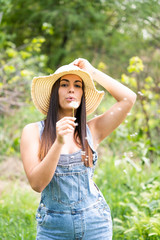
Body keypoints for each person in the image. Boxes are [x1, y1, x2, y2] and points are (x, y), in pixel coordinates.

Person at [20, 58, 136, 240]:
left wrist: (93, 72)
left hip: (96, 225)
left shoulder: (93, 130)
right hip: (53, 229)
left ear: (82, 94)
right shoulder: (33, 132)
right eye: (64, 84)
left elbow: (129, 99)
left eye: (78, 85)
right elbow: (37, 184)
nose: (72, 89)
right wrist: (58, 142)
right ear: (54, 92)